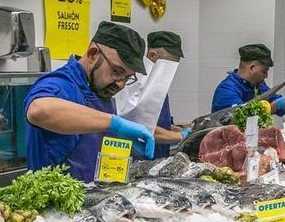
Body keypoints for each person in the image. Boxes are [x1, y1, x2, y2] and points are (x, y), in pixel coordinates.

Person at [24, 22, 167, 182]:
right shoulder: (62, 84)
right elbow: (38, 110)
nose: (121, 84)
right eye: (117, 71)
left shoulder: (99, 88)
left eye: (127, 77)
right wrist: (116, 124)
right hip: (56, 202)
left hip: (97, 197)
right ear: (93, 54)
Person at [116, 30, 185, 159]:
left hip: (158, 156)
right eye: (170, 64)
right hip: (137, 160)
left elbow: (159, 120)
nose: (172, 70)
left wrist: (178, 129)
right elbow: (140, 127)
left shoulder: (158, 84)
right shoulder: (135, 83)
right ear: (152, 55)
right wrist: (180, 136)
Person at [210, 44, 285, 115]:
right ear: (252, 68)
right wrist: (277, 105)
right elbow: (241, 118)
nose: (266, 76)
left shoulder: (258, 85)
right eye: (264, 71)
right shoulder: (227, 90)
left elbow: (275, 102)